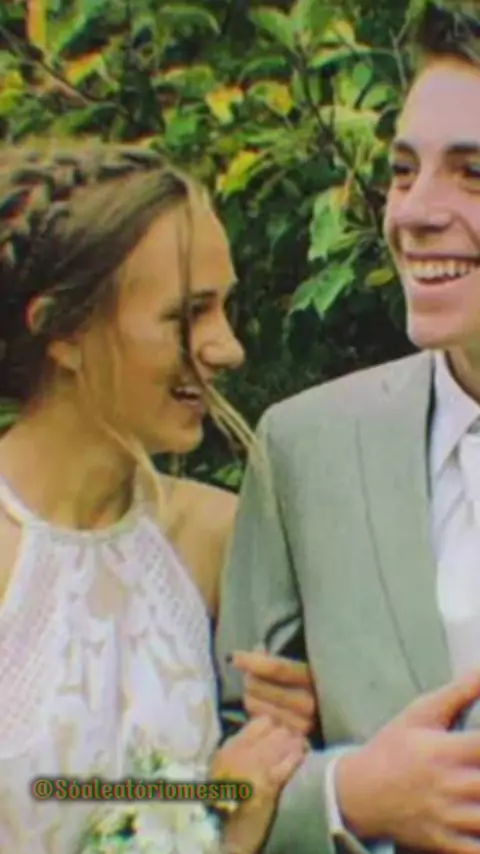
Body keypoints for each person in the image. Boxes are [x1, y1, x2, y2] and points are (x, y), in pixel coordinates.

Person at [216, 2, 480, 853]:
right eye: (403, 171)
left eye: (473, 173)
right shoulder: (305, 449)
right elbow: (208, 776)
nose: (414, 213)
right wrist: (344, 797)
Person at [0, 140, 312, 854]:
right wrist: (225, 821)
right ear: (63, 332)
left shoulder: (217, 537)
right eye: (187, 316)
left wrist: (301, 716)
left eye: (226, 308)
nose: (227, 348)